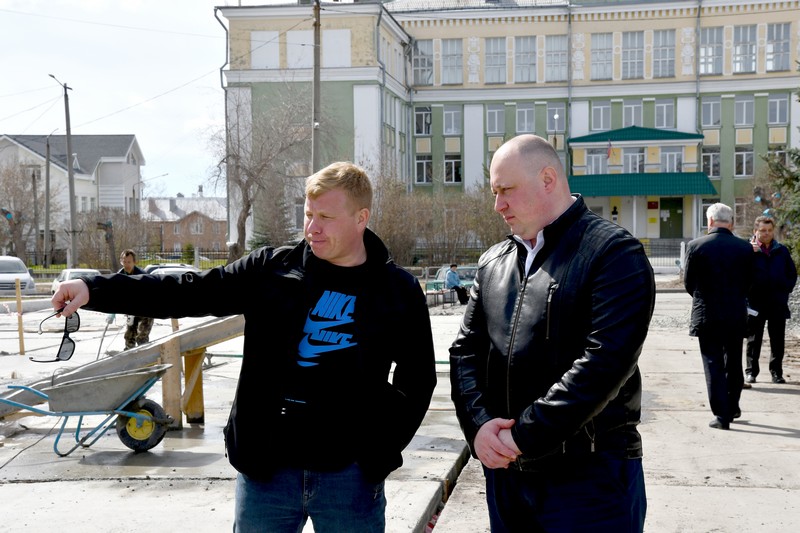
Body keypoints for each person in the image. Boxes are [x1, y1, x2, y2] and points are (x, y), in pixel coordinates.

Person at [53, 162, 437, 532]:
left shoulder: (397, 291)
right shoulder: (271, 270)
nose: (312, 228)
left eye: (326, 217)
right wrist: (94, 289)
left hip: (349, 478)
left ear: (361, 218)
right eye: (308, 214)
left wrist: (380, 451)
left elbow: (418, 379)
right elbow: (187, 291)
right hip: (267, 474)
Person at [449, 134, 655, 532]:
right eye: (494, 193)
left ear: (547, 179)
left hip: (590, 479)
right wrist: (479, 428)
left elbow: (604, 362)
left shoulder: (613, 254)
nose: (498, 205)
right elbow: (465, 353)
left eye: (506, 190)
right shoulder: (493, 262)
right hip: (507, 475)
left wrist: (524, 436)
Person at [684, 203, 754, 430]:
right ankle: (732, 407)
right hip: (735, 313)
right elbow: (750, 282)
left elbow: (689, 283)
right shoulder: (745, 248)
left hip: (708, 314)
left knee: (713, 363)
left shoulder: (696, 246)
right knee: (733, 361)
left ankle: (722, 415)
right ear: (731, 222)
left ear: (710, 221)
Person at [745, 216, 797, 384]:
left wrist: (785, 289)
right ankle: (751, 372)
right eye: (762, 230)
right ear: (755, 231)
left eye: (769, 230)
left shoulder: (781, 250)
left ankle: (776, 373)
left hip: (777, 303)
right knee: (754, 339)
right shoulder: (748, 250)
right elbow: (740, 273)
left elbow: (792, 273)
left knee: (777, 340)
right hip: (755, 303)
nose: (766, 233)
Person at [118, 249, 154, 350]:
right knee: (129, 336)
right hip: (131, 309)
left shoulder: (142, 276)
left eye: (129, 262)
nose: (126, 264)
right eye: (124, 262)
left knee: (142, 337)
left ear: (134, 262)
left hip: (146, 309)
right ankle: (129, 353)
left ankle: (144, 354)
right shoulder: (119, 275)